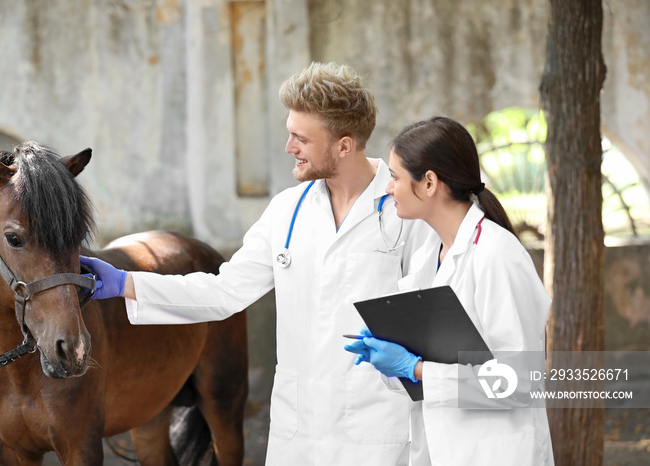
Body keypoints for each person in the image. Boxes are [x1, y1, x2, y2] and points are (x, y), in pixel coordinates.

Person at [81, 62, 429, 465]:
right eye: (289, 133)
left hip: (378, 432)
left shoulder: (406, 213)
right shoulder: (287, 211)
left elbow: (433, 320)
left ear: (344, 146)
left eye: (301, 138)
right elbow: (224, 291)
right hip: (297, 433)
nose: (288, 147)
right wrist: (127, 282)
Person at [344, 116, 554, 465]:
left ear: (428, 183)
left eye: (395, 178)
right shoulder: (430, 257)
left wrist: (416, 369)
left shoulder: (497, 255)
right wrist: (394, 358)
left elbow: (518, 382)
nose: (388, 188)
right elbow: (432, 370)